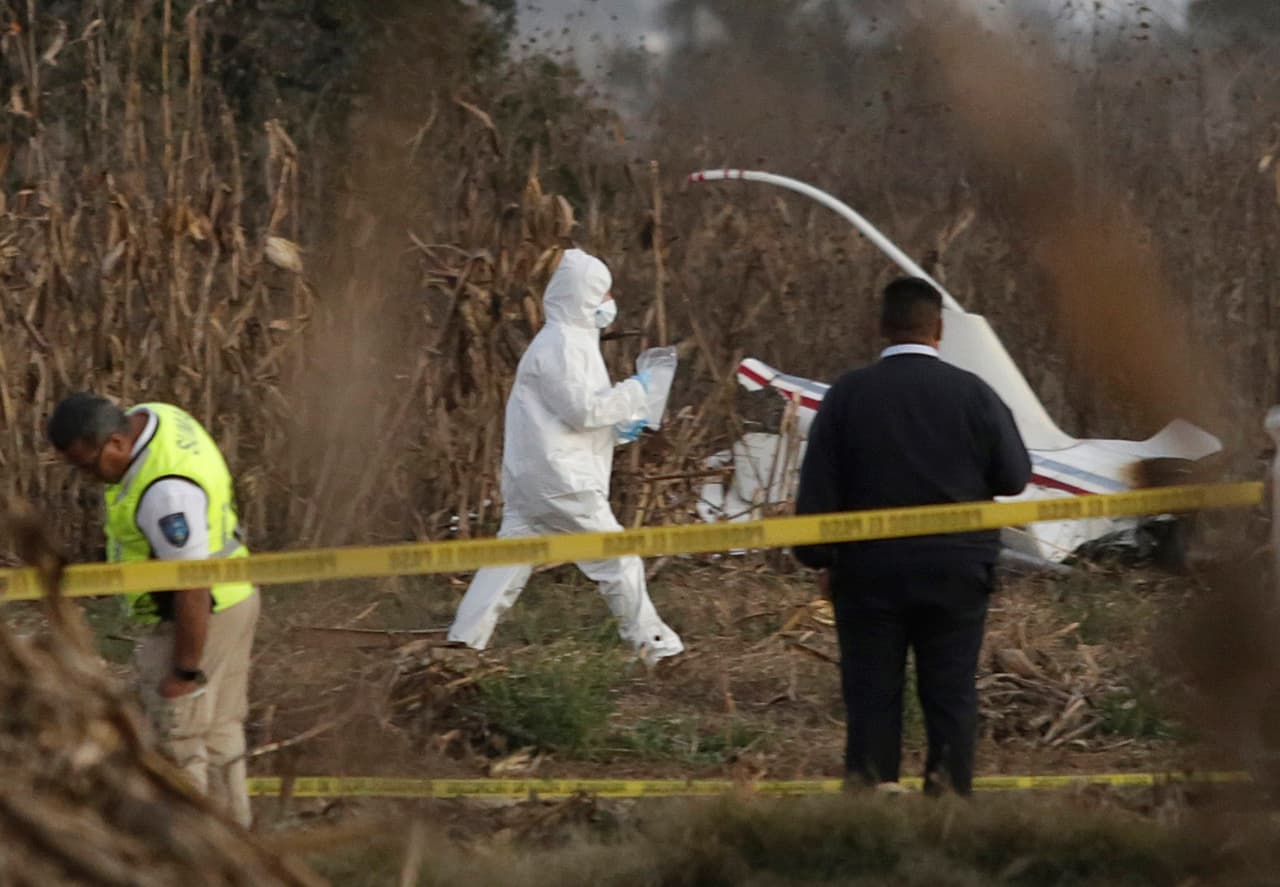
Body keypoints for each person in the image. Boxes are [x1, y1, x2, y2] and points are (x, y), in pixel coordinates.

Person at [794, 277, 1031, 795]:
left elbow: (816, 493)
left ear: (880, 327)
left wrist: (818, 559)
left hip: (868, 577)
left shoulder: (847, 396)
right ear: (939, 329)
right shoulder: (974, 393)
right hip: (957, 574)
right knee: (950, 696)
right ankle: (946, 814)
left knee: (872, 699)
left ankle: (873, 818)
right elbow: (1014, 476)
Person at [448, 248, 684, 664]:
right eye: (605, 293)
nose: (610, 304)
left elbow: (572, 419)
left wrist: (618, 431)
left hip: (538, 478)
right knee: (619, 562)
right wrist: (637, 391)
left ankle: (462, 645)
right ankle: (657, 648)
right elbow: (584, 410)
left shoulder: (570, 341)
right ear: (585, 295)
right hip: (563, 482)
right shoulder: (563, 344)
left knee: (506, 566)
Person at [48, 393, 259, 826]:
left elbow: (191, 585)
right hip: (237, 593)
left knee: (178, 741)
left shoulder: (166, 493)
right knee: (221, 733)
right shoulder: (157, 416)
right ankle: (239, 847)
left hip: (200, 615)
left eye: (88, 464)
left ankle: (196, 855)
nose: (87, 477)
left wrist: (184, 670)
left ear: (116, 444)